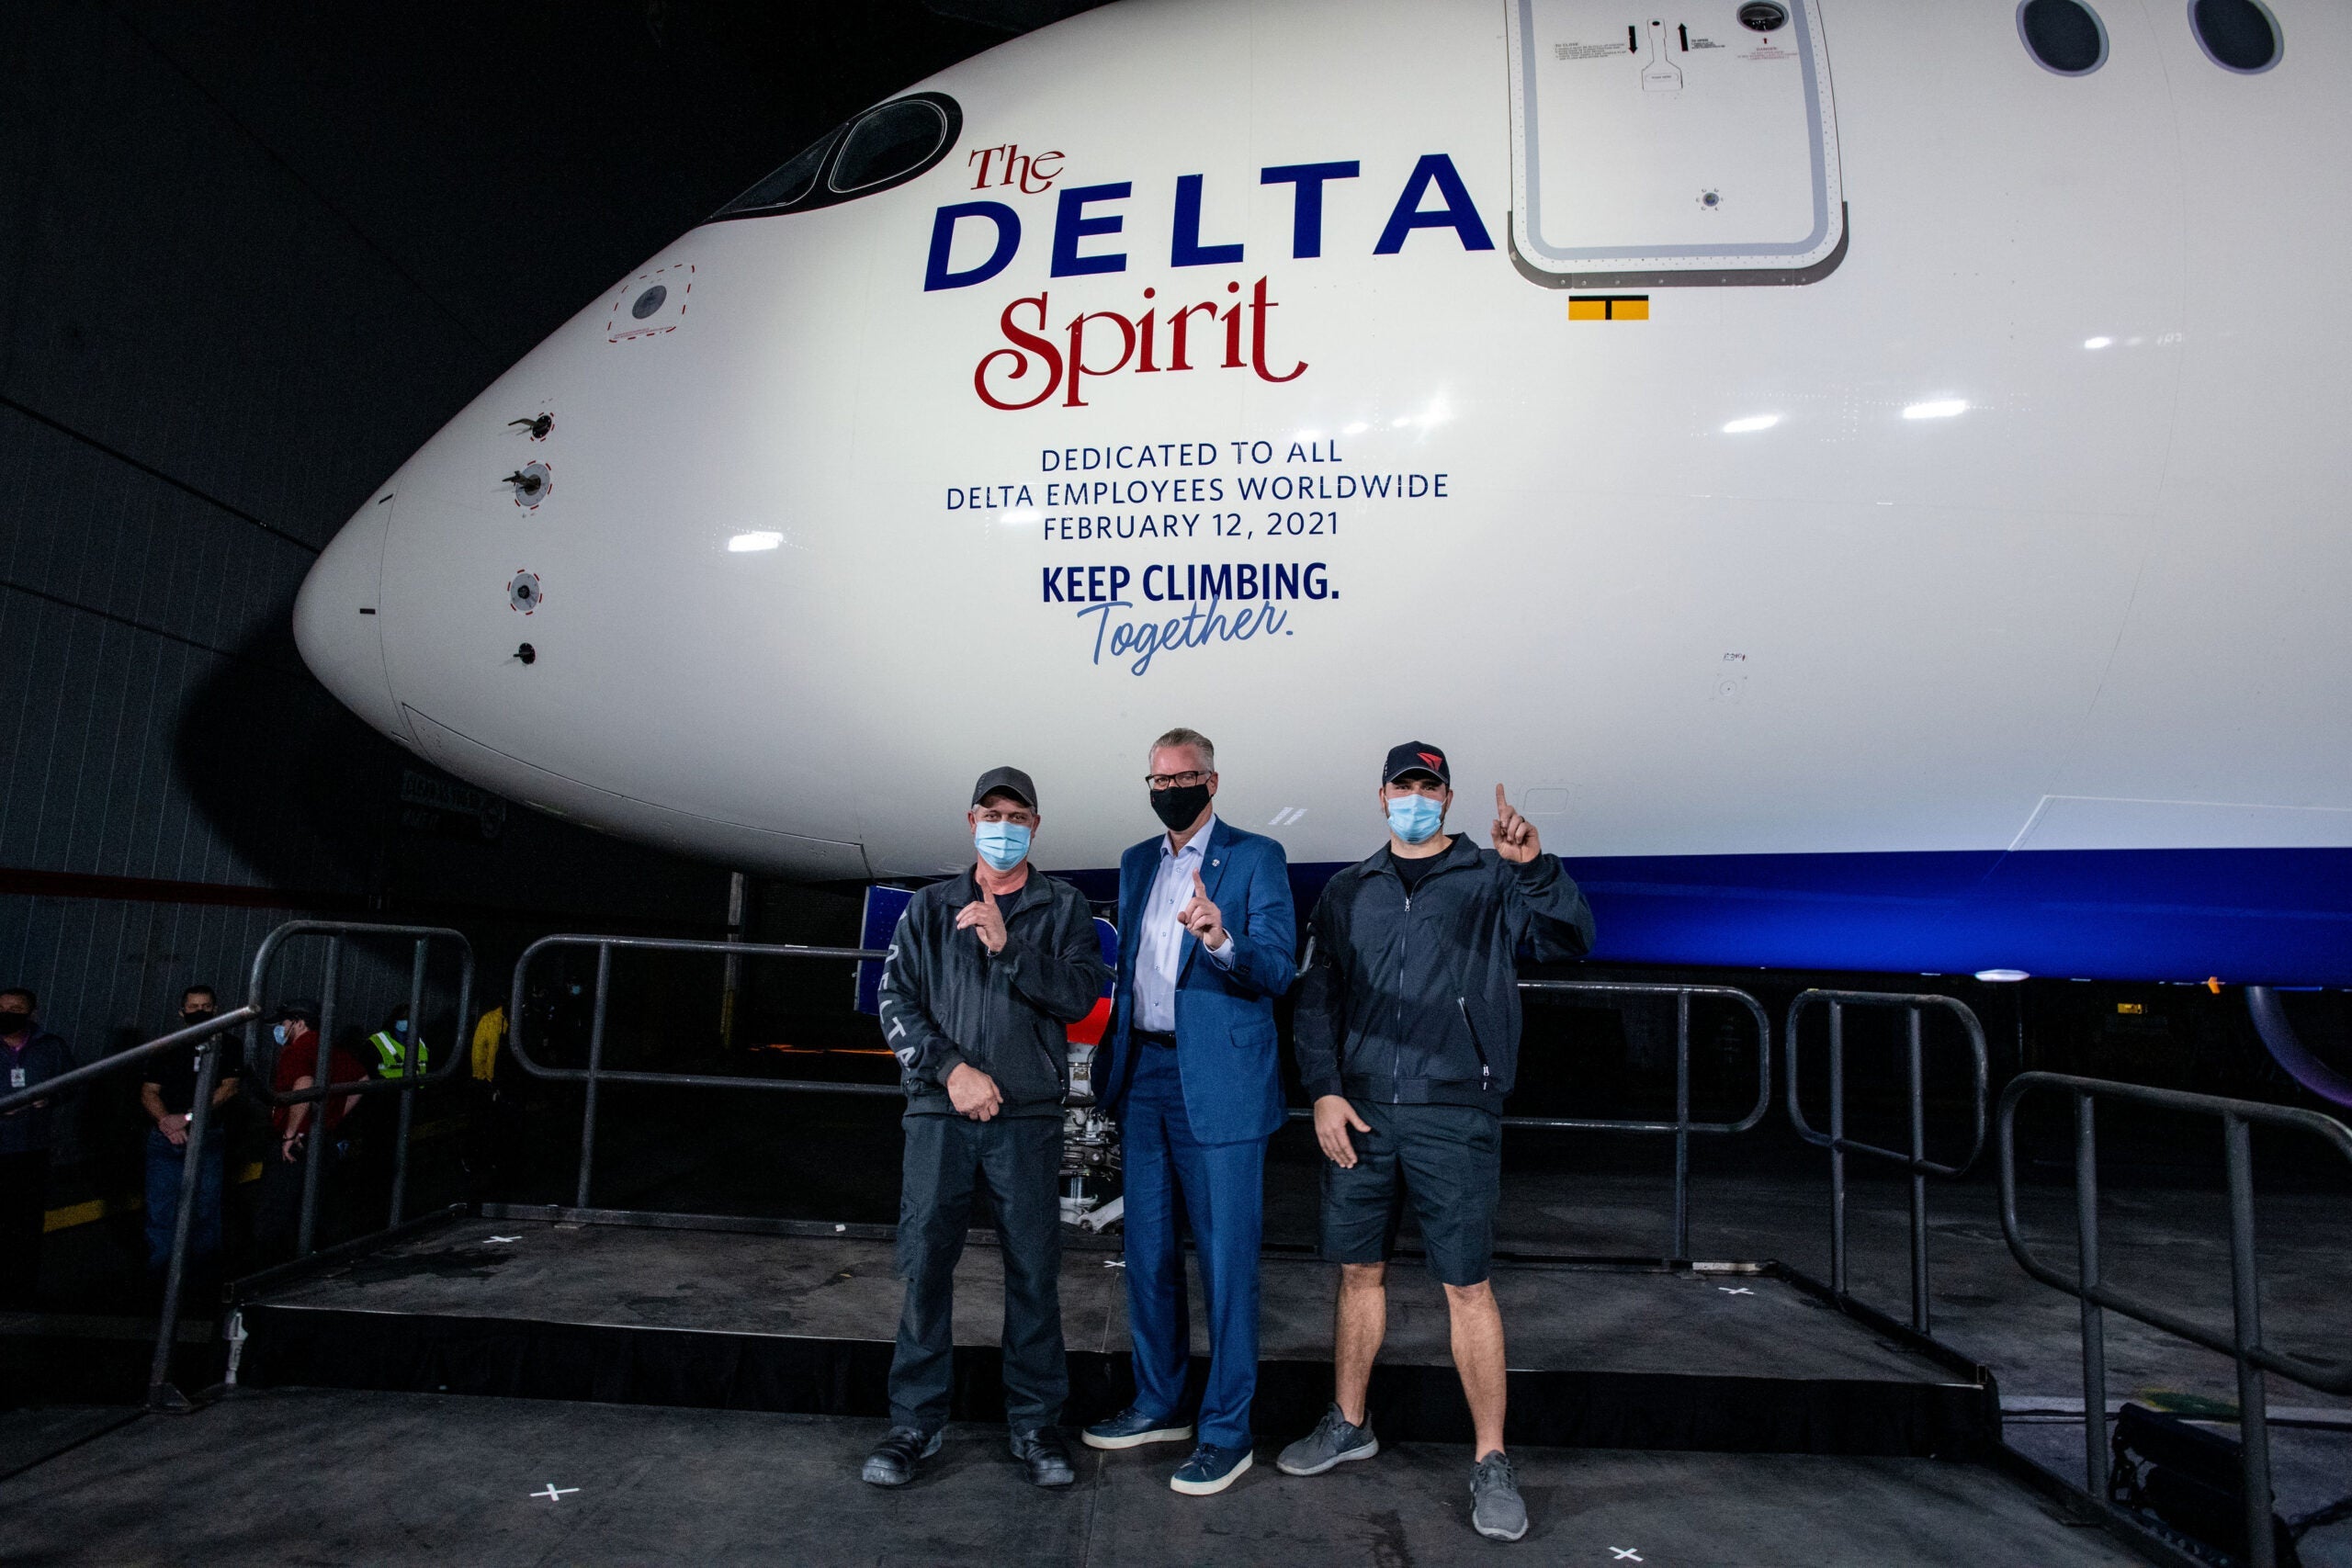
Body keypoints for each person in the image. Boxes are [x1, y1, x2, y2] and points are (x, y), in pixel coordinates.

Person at [1277, 743, 1595, 1543]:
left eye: (1429, 786)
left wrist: (1535, 869)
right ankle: (1350, 1421)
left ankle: (1491, 1459)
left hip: (1455, 1111)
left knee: (1466, 1284)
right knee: (1359, 1270)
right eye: (1404, 785)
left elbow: (1570, 939)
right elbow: (1317, 999)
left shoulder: (1491, 876)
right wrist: (1324, 1090)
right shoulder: (1349, 889)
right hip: (1361, 1112)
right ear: (1382, 795)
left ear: (1447, 798)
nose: (1415, 797)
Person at [865, 766, 1111, 1490]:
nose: (1005, 827)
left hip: (1026, 1118)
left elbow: (1080, 996)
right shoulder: (930, 906)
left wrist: (1010, 947)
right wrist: (951, 1071)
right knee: (925, 1267)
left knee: (1033, 1273)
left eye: (1018, 816)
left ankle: (1035, 1424)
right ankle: (914, 1422)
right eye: (992, 813)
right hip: (940, 1113)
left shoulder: (1062, 906)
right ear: (972, 821)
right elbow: (895, 1000)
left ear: (1035, 826)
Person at [1084, 728, 1296, 1495]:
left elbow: (1278, 968)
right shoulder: (1138, 859)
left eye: (1183, 777)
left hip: (1222, 1083)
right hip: (1143, 1073)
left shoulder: (1256, 857)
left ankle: (1227, 1433)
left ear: (1212, 780)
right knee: (1147, 1255)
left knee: (1227, 1264)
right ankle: (1159, 1402)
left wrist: (1220, 937)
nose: (1169, 789)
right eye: (1158, 779)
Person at [139, 985, 243, 1279]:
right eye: (194, 1007)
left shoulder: (229, 1045)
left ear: (216, 1009)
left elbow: (229, 1088)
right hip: (167, 1138)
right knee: (161, 1208)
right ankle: (162, 1274)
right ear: (182, 1011)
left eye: (206, 1006)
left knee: (205, 1207)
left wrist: (186, 1118)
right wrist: (166, 1122)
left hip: (205, 1135)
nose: (200, 1011)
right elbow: (148, 1091)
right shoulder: (167, 1046)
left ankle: (202, 1276)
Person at [254, 999, 368, 1264]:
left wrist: (290, 1133)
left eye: (283, 1023)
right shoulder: (330, 1049)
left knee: (277, 1209)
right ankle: (314, 1260)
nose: (281, 1029)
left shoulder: (297, 1050)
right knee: (315, 1204)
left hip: (296, 1143)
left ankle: (274, 1269)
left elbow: (304, 1084)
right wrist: (333, 1117)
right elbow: (362, 1080)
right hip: (322, 1138)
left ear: (298, 1022)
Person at [0, 987, 73, 1309]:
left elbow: (71, 1084)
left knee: (26, 1224)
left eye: (16, 1009)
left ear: (32, 1013)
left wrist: (50, 1098)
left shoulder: (51, 1047)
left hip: (32, 1148)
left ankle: (20, 1293)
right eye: (2, 1008)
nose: (7, 1014)